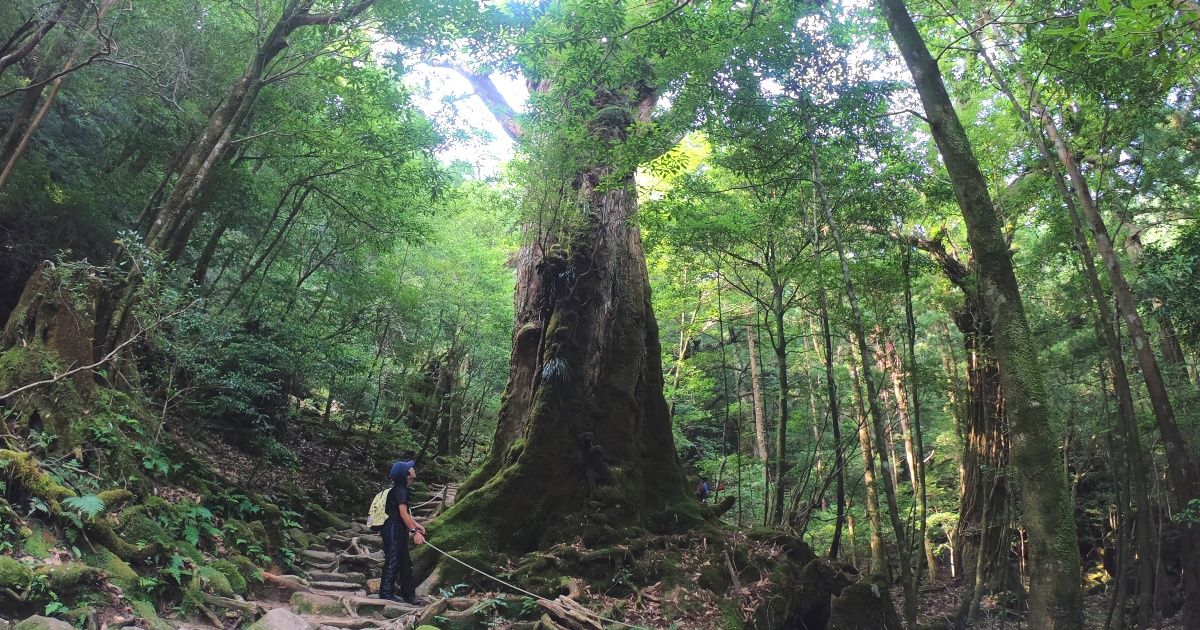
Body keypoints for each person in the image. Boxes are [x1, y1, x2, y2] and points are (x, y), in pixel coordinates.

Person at [379, 459, 426, 604]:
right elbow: (403, 514)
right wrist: (415, 531)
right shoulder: (401, 490)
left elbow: (405, 514)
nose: (413, 469)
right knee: (393, 560)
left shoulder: (400, 489)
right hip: (393, 530)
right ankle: (386, 593)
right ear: (407, 475)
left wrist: (416, 525)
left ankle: (409, 596)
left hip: (397, 530)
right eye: (410, 468)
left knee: (405, 563)